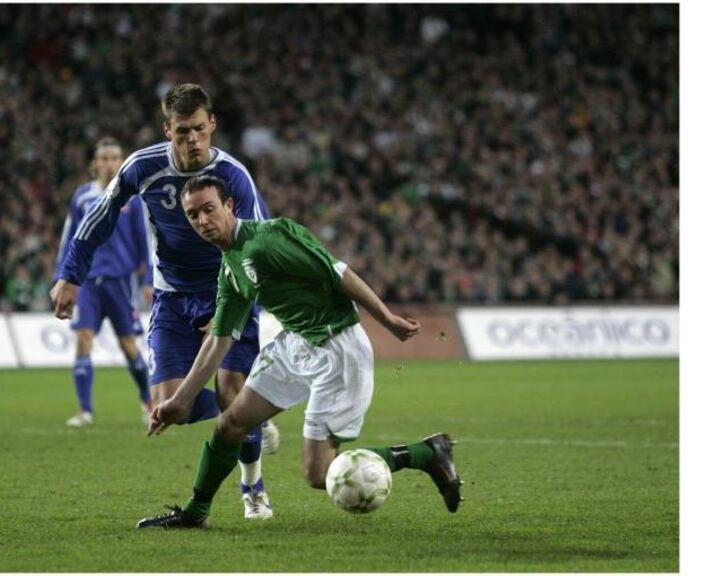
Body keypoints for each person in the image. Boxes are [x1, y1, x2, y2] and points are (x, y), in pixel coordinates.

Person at [136, 175, 462, 529]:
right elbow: (220, 338)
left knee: (320, 474)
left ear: (229, 206)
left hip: (337, 350)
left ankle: (427, 453)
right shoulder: (230, 268)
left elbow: (337, 271)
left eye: (209, 209)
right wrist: (180, 400)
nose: (202, 221)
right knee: (231, 422)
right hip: (295, 344)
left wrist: (385, 318)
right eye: (193, 214)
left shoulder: (269, 239)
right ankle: (195, 513)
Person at [52, 84, 280, 519]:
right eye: (181, 132)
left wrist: (230, 307)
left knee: (231, 391)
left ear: (212, 124)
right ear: (167, 130)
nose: (192, 140)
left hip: (227, 291)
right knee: (172, 406)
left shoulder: (235, 177)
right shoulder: (143, 167)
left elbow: (258, 249)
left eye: (198, 129)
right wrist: (69, 274)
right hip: (173, 298)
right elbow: (98, 218)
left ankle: (254, 487)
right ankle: (257, 410)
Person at [53, 137, 153, 427]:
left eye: (115, 158)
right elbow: (69, 238)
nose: (110, 163)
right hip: (85, 282)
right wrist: (62, 276)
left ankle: (148, 400)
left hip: (120, 282)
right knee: (83, 339)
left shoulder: (132, 198)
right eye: (105, 158)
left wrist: (148, 278)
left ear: (121, 162)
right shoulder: (82, 196)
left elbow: (144, 240)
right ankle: (85, 411)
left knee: (128, 346)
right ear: (95, 163)